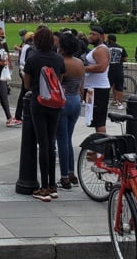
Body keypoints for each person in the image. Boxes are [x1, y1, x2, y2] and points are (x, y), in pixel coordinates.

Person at [24, 26, 65, 202]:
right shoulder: (58, 58)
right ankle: (53, 186)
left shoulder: (33, 59)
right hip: (55, 104)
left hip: (38, 102)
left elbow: (27, 85)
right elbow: (60, 80)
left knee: (43, 143)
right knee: (51, 142)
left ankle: (44, 187)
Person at [56, 30, 85, 190]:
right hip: (75, 100)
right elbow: (82, 84)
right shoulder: (79, 62)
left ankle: (64, 177)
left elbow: (58, 84)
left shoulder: (61, 62)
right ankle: (71, 172)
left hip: (63, 100)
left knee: (62, 140)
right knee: (68, 138)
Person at [84, 26, 111, 133]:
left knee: (99, 121)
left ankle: (102, 147)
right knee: (93, 119)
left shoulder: (101, 50)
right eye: (90, 34)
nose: (90, 36)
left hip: (98, 89)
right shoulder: (97, 49)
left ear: (102, 36)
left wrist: (82, 68)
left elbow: (101, 67)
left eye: (94, 34)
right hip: (92, 88)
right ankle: (97, 148)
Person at [107, 34, 128, 108]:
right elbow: (125, 59)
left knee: (107, 87)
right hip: (119, 70)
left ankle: (105, 103)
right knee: (119, 87)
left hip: (110, 70)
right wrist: (118, 60)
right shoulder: (121, 48)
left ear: (110, 40)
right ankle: (120, 104)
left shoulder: (107, 48)